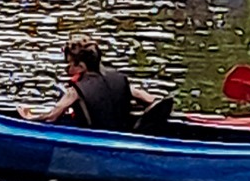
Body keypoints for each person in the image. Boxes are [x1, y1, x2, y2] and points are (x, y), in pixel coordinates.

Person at [21, 36, 157, 130]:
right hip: (123, 136)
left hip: (96, 140)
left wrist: (29, 117)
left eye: (69, 65)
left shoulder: (74, 91)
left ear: (81, 66)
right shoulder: (122, 81)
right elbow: (151, 101)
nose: (67, 69)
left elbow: (51, 117)